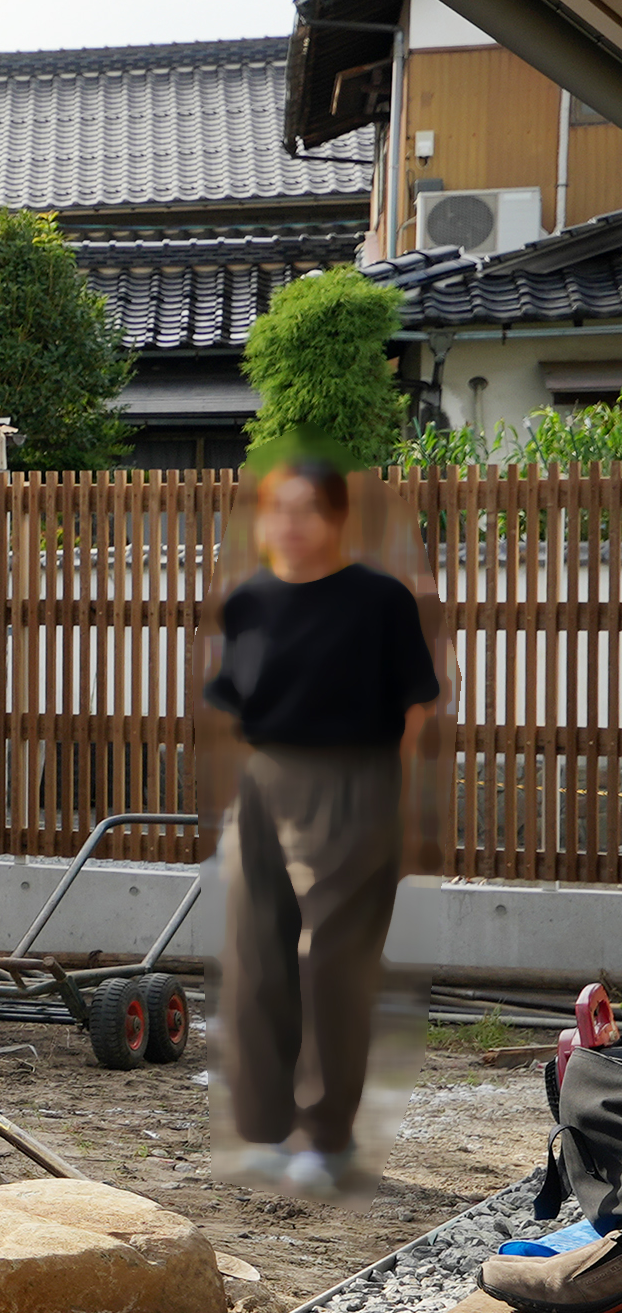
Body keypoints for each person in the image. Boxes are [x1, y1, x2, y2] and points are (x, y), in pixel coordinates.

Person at [206, 453, 439, 1200]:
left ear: (337, 519)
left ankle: (324, 1135)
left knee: (330, 965)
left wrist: (380, 795)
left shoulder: (380, 600)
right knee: (258, 956)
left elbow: (414, 706)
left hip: (355, 778)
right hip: (267, 778)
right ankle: (265, 1129)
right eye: (280, 509)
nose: (291, 524)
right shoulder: (250, 600)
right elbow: (238, 700)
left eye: (307, 509)